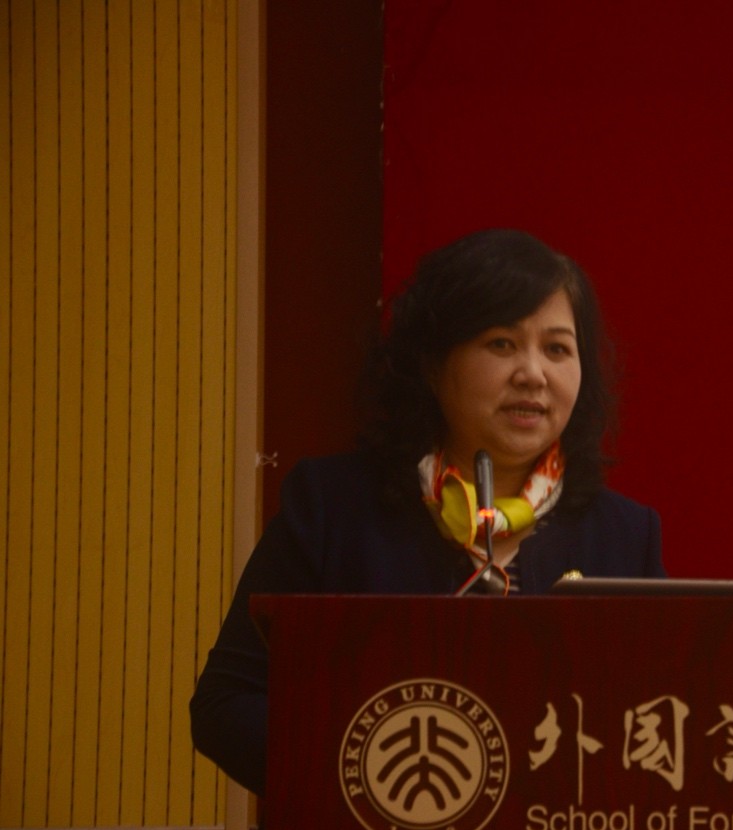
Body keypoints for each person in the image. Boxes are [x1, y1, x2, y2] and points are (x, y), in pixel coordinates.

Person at [189, 228, 665, 797]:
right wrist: (372, 784)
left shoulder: (625, 535)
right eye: (501, 343)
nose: (533, 373)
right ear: (434, 364)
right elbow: (227, 703)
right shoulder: (331, 505)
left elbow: (659, 721)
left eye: (557, 349)